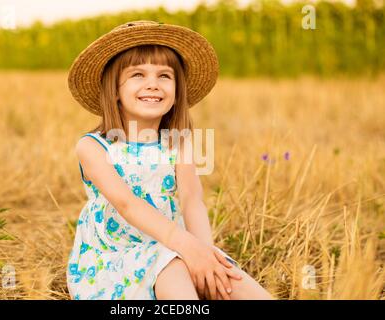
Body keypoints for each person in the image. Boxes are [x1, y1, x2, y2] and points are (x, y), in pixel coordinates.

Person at [66, 20, 273, 300]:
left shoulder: (179, 143)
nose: (153, 84)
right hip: (118, 258)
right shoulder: (93, 147)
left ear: (177, 93)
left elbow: (192, 200)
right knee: (172, 268)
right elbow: (127, 204)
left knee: (231, 280)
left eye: (164, 76)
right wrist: (186, 248)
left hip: (179, 245)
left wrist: (204, 254)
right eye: (138, 74)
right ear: (114, 90)